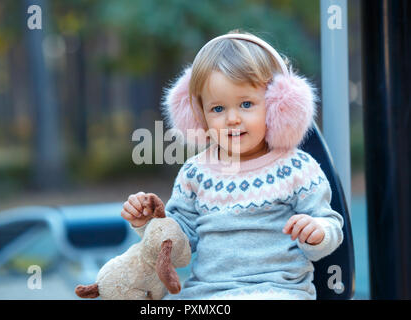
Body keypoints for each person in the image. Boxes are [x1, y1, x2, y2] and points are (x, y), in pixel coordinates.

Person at [120, 30, 344, 300]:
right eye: (218, 109)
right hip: (208, 296)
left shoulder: (297, 168)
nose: (232, 119)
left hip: (277, 292)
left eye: (246, 104)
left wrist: (317, 232)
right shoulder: (195, 173)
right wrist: (151, 224)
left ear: (277, 107)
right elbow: (180, 247)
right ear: (198, 115)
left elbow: (330, 226)